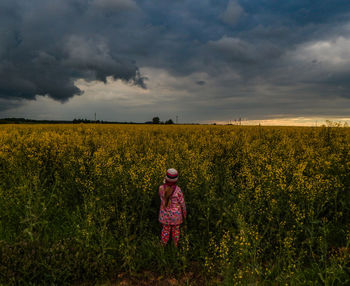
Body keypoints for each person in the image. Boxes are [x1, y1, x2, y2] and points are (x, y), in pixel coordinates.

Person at [158, 168, 187, 247]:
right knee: (176, 231)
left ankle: (163, 245)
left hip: (165, 215)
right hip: (176, 216)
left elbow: (163, 198)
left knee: (165, 230)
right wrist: (184, 214)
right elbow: (182, 204)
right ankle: (175, 246)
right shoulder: (178, 190)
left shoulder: (161, 188)